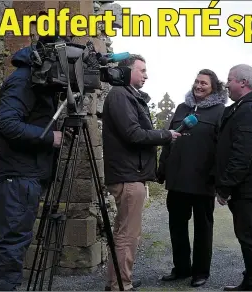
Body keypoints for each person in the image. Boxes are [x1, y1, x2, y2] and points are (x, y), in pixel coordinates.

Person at [102, 54, 181, 291]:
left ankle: (116, 281)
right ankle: (121, 285)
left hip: (130, 174)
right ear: (127, 71)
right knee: (129, 234)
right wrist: (166, 135)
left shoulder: (126, 96)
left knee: (123, 231)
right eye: (142, 70)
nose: (146, 75)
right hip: (128, 176)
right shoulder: (120, 95)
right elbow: (133, 134)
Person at [0, 45, 62, 290]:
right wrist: (49, 138)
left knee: (16, 240)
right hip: (19, 176)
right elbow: (6, 124)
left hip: (28, 174)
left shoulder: (41, 81)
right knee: (12, 241)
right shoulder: (23, 80)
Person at [157, 69, 227, 287]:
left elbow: (222, 148)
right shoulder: (182, 108)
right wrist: (162, 168)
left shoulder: (220, 112)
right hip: (177, 179)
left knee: (203, 228)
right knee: (176, 225)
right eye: (197, 82)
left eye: (204, 83)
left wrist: (218, 179)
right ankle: (181, 268)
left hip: (203, 180)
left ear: (213, 87)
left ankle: (200, 272)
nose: (198, 86)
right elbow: (170, 139)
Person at [214, 64, 252, 291]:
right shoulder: (244, 107)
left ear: (243, 82)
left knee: (250, 237)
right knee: (247, 235)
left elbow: (242, 154)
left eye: (229, 80)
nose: (226, 84)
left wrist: (225, 187)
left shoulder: (249, 110)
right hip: (246, 188)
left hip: (248, 189)